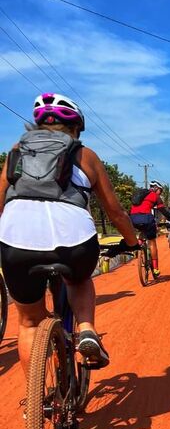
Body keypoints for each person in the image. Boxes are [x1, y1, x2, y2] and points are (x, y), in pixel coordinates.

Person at [0, 92, 139, 375]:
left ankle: (34, 398)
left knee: (28, 323)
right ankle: (87, 329)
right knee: (79, 281)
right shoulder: (85, 155)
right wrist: (132, 241)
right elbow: (115, 212)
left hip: (16, 240)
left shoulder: (16, 151)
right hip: (73, 240)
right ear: (76, 128)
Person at [130, 180, 170, 277]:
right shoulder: (155, 196)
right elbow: (165, 213)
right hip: (146, 218)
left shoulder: (139, 194)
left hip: (133, 218)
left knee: (142, 230)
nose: (160, 193)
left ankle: (138, 245)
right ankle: (155, 268)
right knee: (152, 242)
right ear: (156, 188)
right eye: (160, 191)